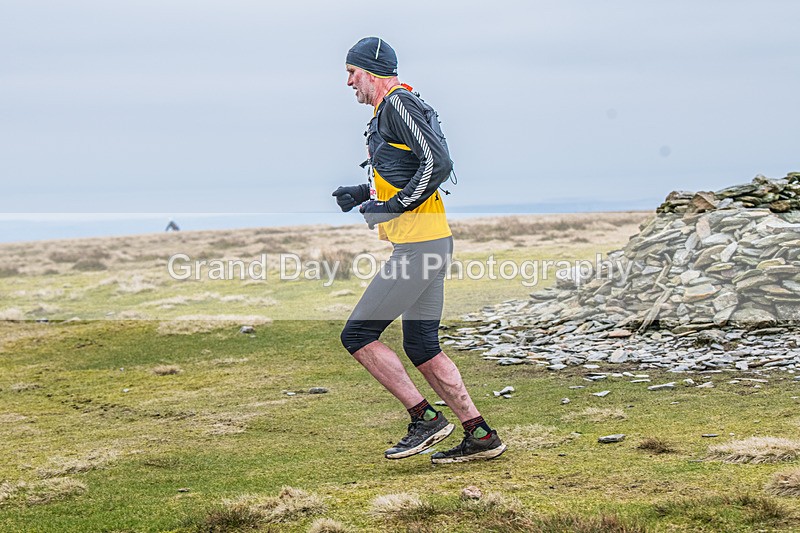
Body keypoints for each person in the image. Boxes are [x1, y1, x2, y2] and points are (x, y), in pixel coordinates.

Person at [332, 37, 506, 464]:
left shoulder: (398, 105)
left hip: (419, 247)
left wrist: (393, 206)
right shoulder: (388, 110)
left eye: (351, 73)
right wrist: (363, 191)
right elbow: (409, 167)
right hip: (429, 241)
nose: (347, 81)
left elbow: (438, 162)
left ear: (370, 72)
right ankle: (480, 435)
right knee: (423, 346)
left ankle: (425, 419)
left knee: (357, 335)